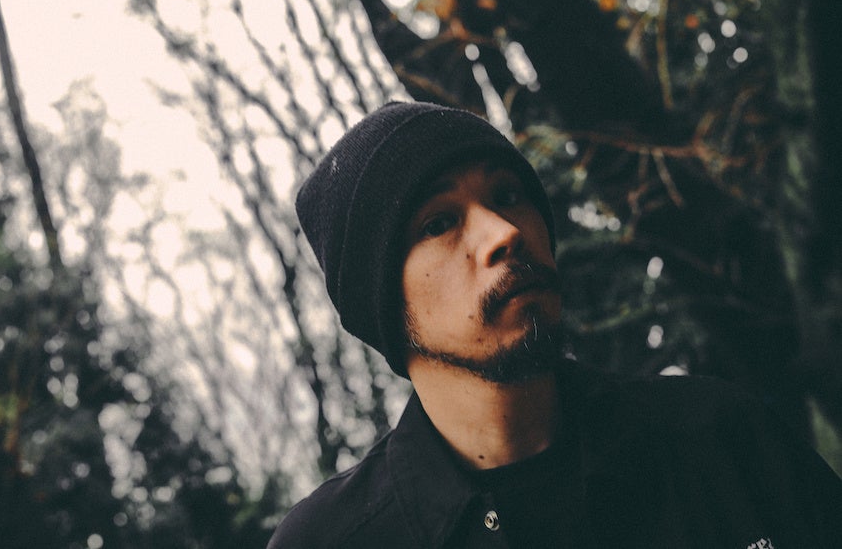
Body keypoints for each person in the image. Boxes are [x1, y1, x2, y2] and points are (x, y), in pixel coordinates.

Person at [268, 100, 842, 548]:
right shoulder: (331, 542)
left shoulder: (719, 439)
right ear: (379, 302)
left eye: (508, 195)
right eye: (438, 223)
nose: (505, 232)